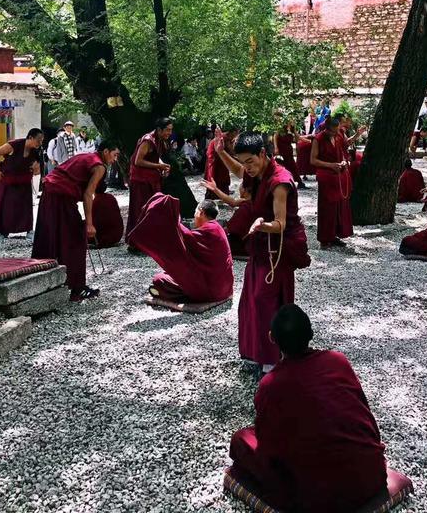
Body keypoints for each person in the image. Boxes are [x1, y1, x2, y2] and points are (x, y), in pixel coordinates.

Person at [229, 304, 388, 513]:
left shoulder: (271, 385)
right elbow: (365, 418)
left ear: (272, 339)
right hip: (371, 475)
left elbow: (270, 449)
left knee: (242, 440)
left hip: (321, 499)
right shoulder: (337, 361)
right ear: (311, 333)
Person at [230, 132, 309, 372]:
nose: (247, 168)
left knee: (266, 301)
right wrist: (221, 151)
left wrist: (261, 225)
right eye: (243, 162)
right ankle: (254, 352)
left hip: (278, 250)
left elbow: (281, 223)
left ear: (263, 154)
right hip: (260, 248)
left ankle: (272, 360)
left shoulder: (279, 181)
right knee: (249, 301)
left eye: (250, 162)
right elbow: (237, 171)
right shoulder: (257, 174)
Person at [31, 140, 120, 301]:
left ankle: (37, 283)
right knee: (76, 238)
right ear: (106, 151)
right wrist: (90, 224)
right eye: (114, 155)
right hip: (61, 195)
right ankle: (76, 288)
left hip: (50, 191)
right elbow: (88, 194)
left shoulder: (86, 156)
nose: (115, 160)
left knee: (49, 235)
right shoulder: (99, 165)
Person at [128, 196, 234, 306]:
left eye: (195, 212)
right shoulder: (217, 228)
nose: (194, 216)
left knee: (159, 280)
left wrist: (171, 217)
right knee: (171, 274)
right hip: (225, 288)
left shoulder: (209, 230)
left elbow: (184, 236)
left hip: (211, 292)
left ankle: (166, 293)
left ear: (201, 212)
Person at [126, 118, 173, 242]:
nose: (169, 133)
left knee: (153, 209)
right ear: (159, 129)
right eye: (167, 130)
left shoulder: (159, 140)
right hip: (140, 181)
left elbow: (155, 157)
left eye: (170, 130)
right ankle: (137, 242)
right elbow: (138, 160)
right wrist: (159, 166)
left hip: (151, 180)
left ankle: (150, 240)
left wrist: (164, 166)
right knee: (140, 210)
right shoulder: (147, 140)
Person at [0, 128, 43, 238]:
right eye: (38, 140)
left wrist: (35, 169)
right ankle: (3, 232)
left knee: (25, 206)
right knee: (7, 207)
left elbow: (36, 168)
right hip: (8, 181)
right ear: (30, 137)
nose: (40, 143)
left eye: (42, 140)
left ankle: (28, 230)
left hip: (23, 182)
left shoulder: (34, 151)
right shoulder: (14, 145)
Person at [311, 116, 353, 248]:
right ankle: (324, 238)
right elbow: (313, 160)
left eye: (337, 131)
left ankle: (334, 235)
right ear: (326, 129)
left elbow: (343, 152)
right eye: (333, 132)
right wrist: (330, 165)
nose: (335, 134)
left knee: (339, 207)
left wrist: (344, 162)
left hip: (338, 175)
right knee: (327, 208)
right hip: (326, 175)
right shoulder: (318, 139)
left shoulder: (339, 135)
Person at [201, 178, 253, 257]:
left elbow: (232, 230)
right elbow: (232, 202)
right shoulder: (251, 200)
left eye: (241, 185)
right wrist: (215, 189)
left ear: (245, 190)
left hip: (243, 245)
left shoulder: (246, 207)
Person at [204, 128, 239, 199]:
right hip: (215, 158)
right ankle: (213, 194)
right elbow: (231, 151)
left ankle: (223, 192)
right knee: (214, 175)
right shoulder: (224, 138)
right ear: (233, 132)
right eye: (236, 133)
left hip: (221, 159)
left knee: (223, 175)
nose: (237, 135)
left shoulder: (230, 138)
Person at [274, 121, 305, 189]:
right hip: (281, 150)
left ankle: (298, 181)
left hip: (288, 150)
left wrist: (307, 140)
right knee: (283, 165)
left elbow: (298, 136)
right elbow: (275, 136)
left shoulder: (292, 128)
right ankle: (285, 181)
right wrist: (276, 147)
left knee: (292, 166)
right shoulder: (281, 127)